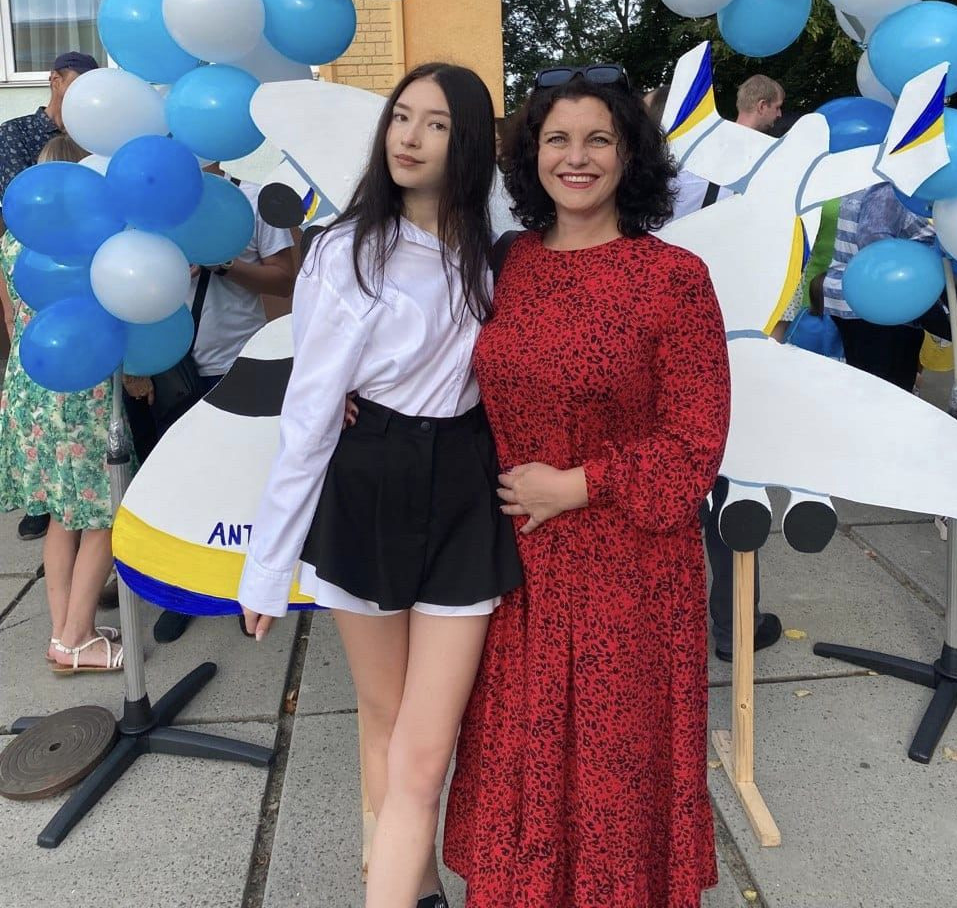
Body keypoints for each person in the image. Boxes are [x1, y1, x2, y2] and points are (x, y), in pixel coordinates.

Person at [444, 66, 730, 908]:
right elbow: (437, 360)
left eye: (598, 139)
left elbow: (695, 444)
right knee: (520, 759)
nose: (577, 157)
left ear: (629, 155)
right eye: (557, 139)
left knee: (615, 774)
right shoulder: (506, 264)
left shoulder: (674, 278)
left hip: (630, 576)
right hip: (518, 573)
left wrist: (578, 485)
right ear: (531, 156)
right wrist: (360, 396)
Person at [238, 63, 522, 908]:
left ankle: (395, 874)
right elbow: (309, 414)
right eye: (402, 117)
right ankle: (409, 880)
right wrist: (267, 566)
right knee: (387, 716)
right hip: (372, 481)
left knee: (426, 742)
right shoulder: (348, 250)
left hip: (467, 485)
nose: (410, 137)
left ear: (467, 144)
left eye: (436, 124)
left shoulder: (495, 249)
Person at [643, 83, 781, 664]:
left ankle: (653, 628)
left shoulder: (630, 182)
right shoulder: (737, 176)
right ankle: (733, 627)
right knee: (730, 488)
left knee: (654, 489)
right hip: (717, 347)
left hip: (642, 350)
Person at [146, 164, 297, 645]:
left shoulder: (253, 197)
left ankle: (242, 589)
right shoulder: (154, 194)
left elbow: (285, 280)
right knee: (177, 484)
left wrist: (222, 262)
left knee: (243, 486)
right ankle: (180, 592)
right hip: (170, 366)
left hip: (238, 363)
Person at [0, 134, 132, 673]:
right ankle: (77, 637)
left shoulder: (12, 243)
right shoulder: (91, 242)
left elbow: (11, 319)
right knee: (104, 512)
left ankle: (64, 633)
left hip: (29, 385)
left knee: (61, 514)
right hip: (80, 391)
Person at [0, 49, 99, 539]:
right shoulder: (17, 135)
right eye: (79, 86)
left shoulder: (99, 132)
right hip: (37, 293)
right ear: (55, 80)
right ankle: (46, 502)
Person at [822, 181, 934, 388]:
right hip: (882, 304)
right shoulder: (888, 189)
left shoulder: (855, 183)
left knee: (864, 383)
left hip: (851, 295)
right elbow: (874, 241)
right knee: (885, 389)